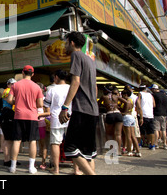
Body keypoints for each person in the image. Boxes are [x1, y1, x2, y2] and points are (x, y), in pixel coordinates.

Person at [58, 31, 99, 175]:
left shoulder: (76, 55)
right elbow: (95, 87)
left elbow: (75, 81)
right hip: (93, 110)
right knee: (88, 152)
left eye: (66, 42)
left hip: (82, 110)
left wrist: (65, 107)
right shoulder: (90, 60)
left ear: (72, 43)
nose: (65, 45)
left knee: (69, 147)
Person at [6, 65, 44, 174]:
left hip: (18, 115)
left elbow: (9, 100)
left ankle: (13, 167)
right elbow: (40, 104)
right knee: (32, 141)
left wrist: (16, 102)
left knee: (17, 141)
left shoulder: (16, 85)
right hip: (32, 116)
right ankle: (31, 167)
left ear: (23, 73)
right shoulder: (37, 87)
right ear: (32, 74)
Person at [43, 69, 74, 174]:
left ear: (56, 77)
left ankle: (56, 170)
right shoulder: (71, 87)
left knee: (55, 144)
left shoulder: (51, 89)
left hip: (56, 119)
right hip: (70, 118)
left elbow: (46, 105)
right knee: (73, 144)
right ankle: (77, 169)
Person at [98, 85, 123, 154]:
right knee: (118, 134)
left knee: (109, 134)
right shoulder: (116, 96)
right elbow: (126, 102)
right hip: (118, 113)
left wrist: (104, 106)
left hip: (110, 114)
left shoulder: (104, 97)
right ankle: (119, 151)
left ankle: (112, 150)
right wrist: (122, 109)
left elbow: (98, 104)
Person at [0, 78, 17, 167]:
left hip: (8, 115)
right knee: (8, 139)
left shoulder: (10, 91)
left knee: (12, 139)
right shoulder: (8, 91)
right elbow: (12, 100)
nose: (14, 86)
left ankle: (11, 159)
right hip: (8, 115)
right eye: (13, 84)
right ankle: (7, 160)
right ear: (8, 84)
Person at [120, 88, 141, 157]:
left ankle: (129, 151)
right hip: (131, 117)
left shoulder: (127, 102)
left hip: (126, 118)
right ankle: (138, 151)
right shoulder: (131, 101)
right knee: (133, 135)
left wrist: (119, 112)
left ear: (125, 94)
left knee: (128, 136)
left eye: (122, 95)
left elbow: (125, 112)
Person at [137, 85, 156, 150]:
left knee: (141, 131)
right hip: (150, 115)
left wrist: (140, 114)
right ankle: (152, 145)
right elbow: (154, 105)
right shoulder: (151, 95)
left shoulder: (140, 94)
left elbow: (138, 104)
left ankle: (140, 144)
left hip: (143, 115)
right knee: (151, 131)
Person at [151, 84, 167, 149]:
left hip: (156, 114)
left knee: (156, 129)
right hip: (164, 114)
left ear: (154, 89)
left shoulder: (154, 95)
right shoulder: (165, 96)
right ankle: (165, 144)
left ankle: (156, 144)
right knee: (164, 130)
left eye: (152, 89)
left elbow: (153, 105)